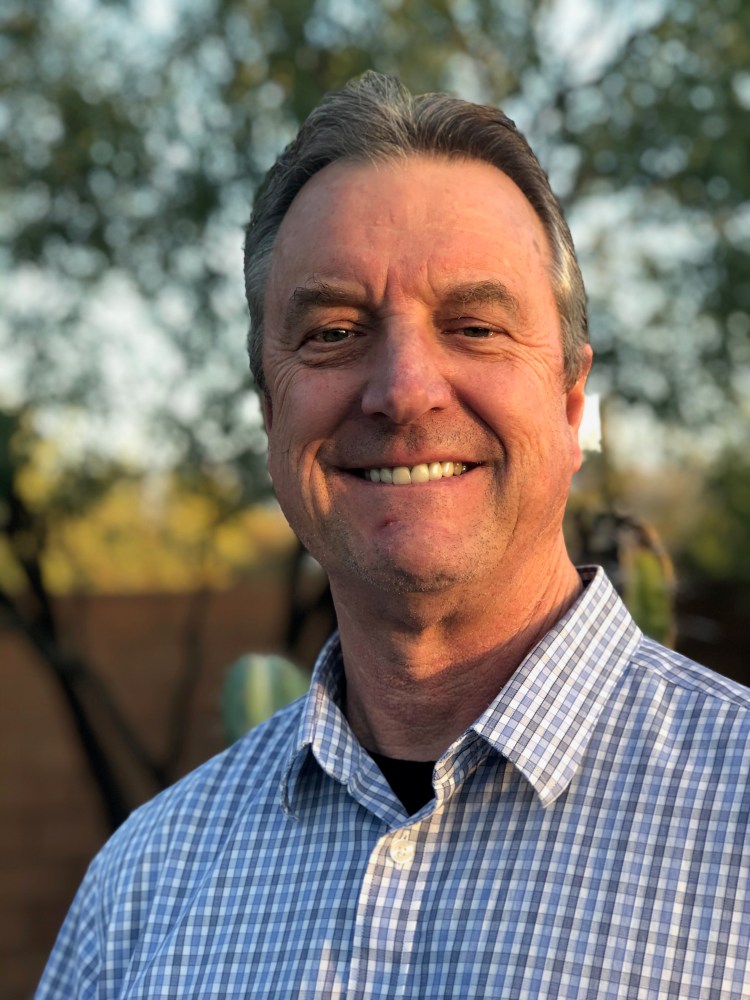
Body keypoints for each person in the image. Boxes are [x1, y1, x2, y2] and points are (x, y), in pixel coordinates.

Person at [38, 72, 750, 999]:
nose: (404, 390)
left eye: (475, 326)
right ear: (271, 416)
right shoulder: (141, 889)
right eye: (334, 333)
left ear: (572, 404)